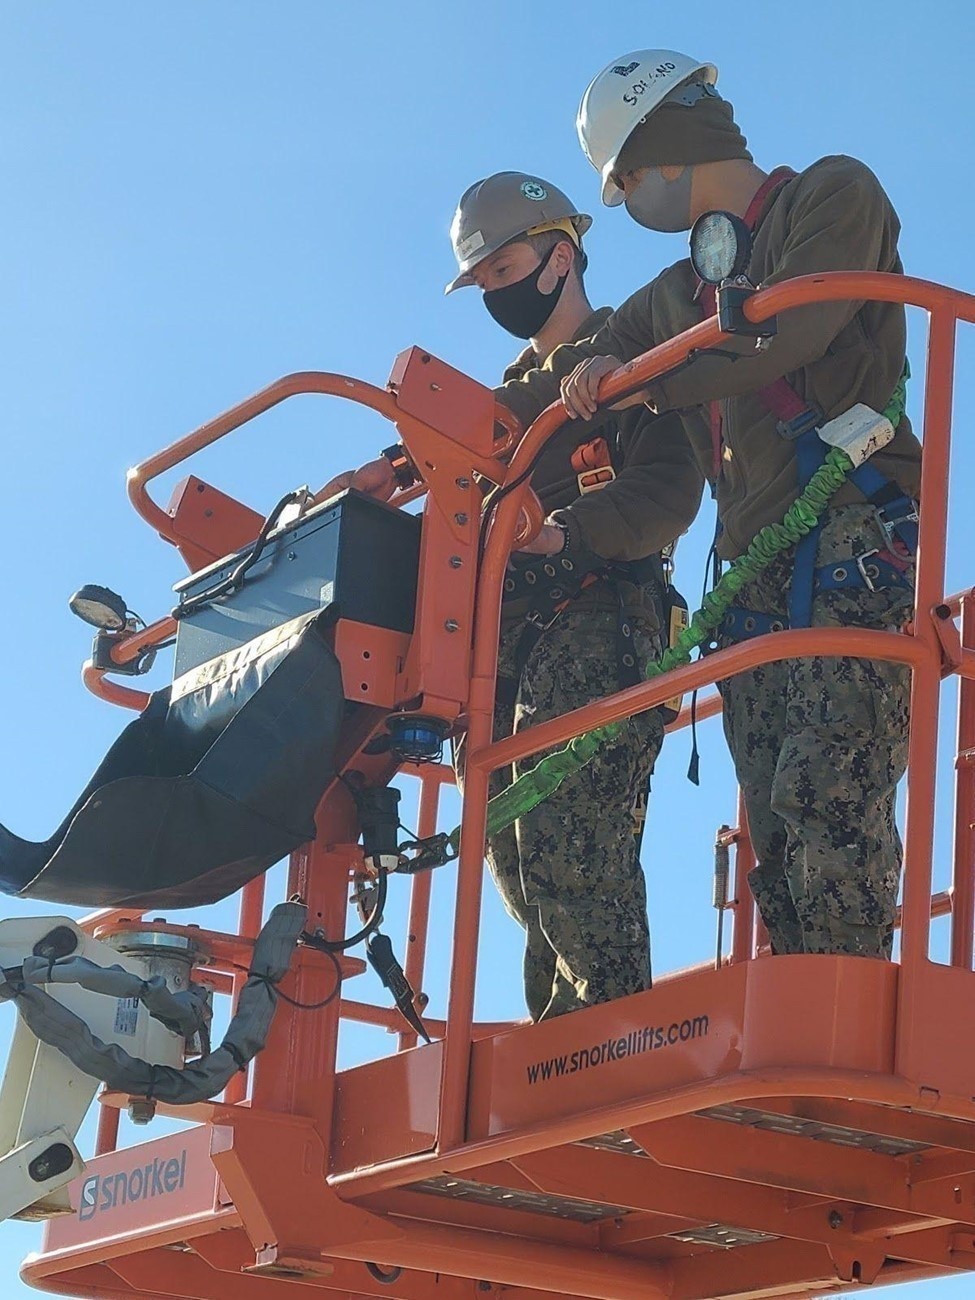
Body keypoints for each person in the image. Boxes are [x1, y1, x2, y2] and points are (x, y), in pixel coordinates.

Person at [493, 51, 922, 962]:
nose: (629, 202)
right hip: (752, 571)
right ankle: (803, 1006)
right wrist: (419, 438)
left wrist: (641, 384)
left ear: (666, 147)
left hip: (849, 533)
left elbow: (788, 330)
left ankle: (842, 1010)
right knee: (772, 809)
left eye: (628, 180)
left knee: (825, 791)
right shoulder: (681, 287)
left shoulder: (832, 195)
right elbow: (574, 378)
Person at [339, 171, 702, 1019]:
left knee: (572, 847)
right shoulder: (491, 409)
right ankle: (558, 1055)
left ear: (561, 256)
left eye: (505, 269)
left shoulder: (628, 351)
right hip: (506, 645)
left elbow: (667, 490)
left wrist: (564, 533)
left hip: (602, 612)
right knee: (515, 861)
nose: (494, 292)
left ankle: (606, 1053)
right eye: (483, 280)